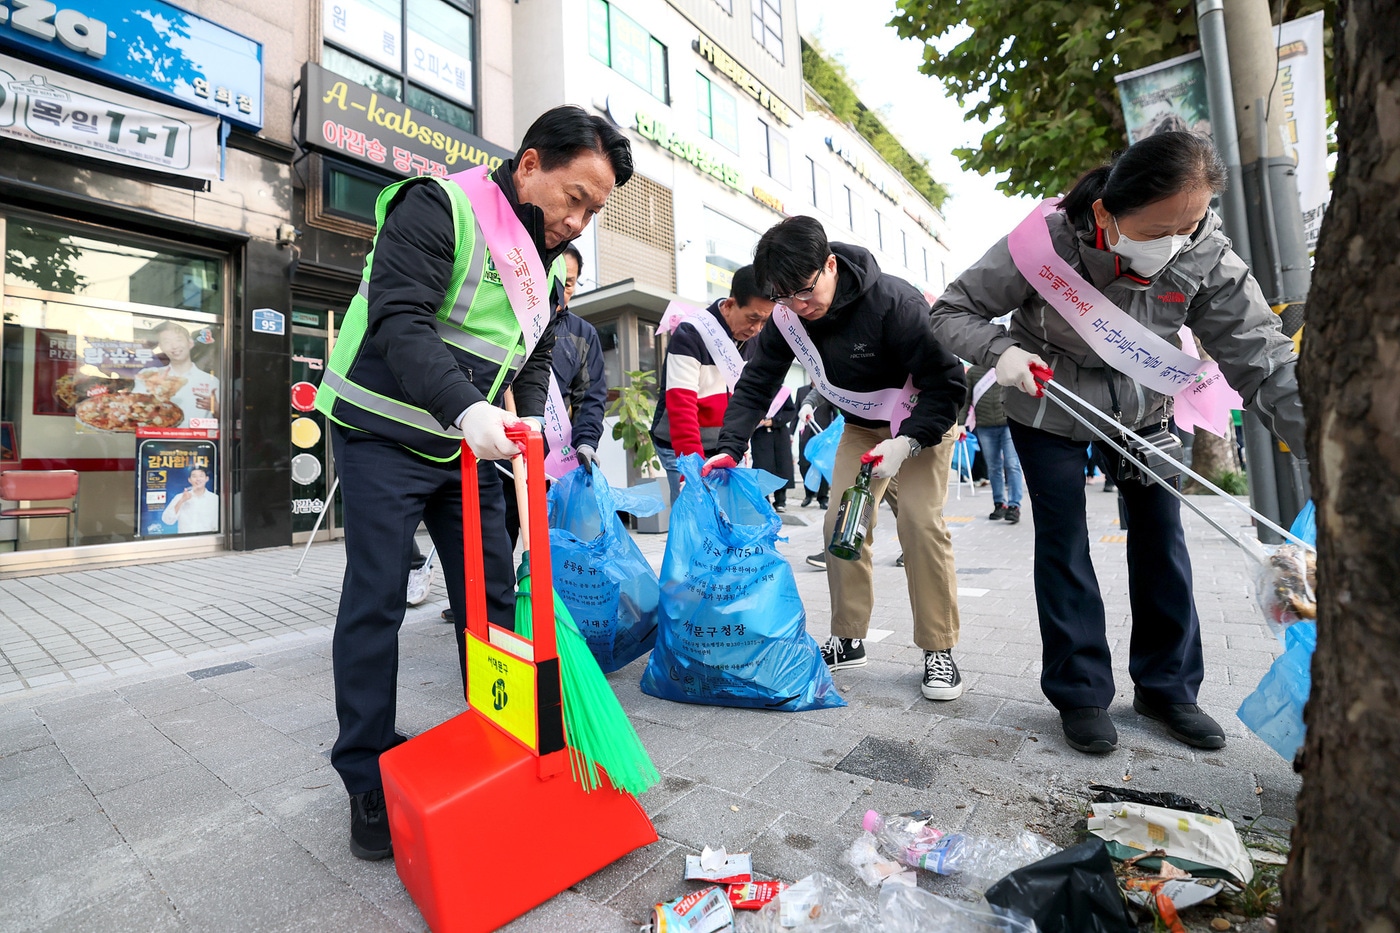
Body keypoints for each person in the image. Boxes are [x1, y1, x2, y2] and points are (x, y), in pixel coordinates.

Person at [313, 105, 632, 860]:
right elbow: (400, 320)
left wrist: (521, 437)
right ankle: (364, 770)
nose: (579, 221)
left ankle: (503, 737)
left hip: (469, 449)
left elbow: (537, 360)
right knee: (377, 597)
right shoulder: (439, 207)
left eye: (594, 209)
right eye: (575, 197)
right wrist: (466, 409)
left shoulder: (550, 267)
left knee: (489, 599)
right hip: (383, 429)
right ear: (529, 165)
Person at [930, 131, 1304, 755]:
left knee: (1163, 539)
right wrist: (1002, 352)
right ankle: (1079, 692)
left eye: (1190, 226)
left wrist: (1325, 444)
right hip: (1047, 403)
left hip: (1145, 409)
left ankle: (1167, 690)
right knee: (1064, 542)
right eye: (1159, 230)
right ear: (1106, 212)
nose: (1175, 244)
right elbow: (951, 310)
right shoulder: (1045, 242)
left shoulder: (1204, 251)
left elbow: (1261, 358)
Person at [709, 215, 968, 703]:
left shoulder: (894, 302)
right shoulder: (789, 313)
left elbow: (947, 384)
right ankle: (848, 636)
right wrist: (729, 446)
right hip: (862, 427)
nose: (798, 307)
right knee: (840, 523)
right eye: (784, 298)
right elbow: (758, 381)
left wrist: (908, 442)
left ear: (830, 264)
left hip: (922, 421)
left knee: (919, 523)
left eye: (805, 292)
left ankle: (939, 648)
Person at [649, 265, 775, 503]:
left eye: (764, 322)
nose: (756, 329)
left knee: (731, 518)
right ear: (729, 305)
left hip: (725, 448)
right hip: (682, 445)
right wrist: (692, 468)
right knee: (697, 520)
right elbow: (681, 406)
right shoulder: (691, 333)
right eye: (753, 318)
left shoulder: (752, 339)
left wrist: (737, 447)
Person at [963, 364, 1023, 524]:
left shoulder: (1006, 365)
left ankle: (1014, 505)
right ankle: (999, 504)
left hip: (1008, 423)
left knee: (1012, 463)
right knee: (993, 467)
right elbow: (966, 398)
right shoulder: (974, 372)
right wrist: (961, 424)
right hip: (984, 425)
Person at [135, 322, 219, 428]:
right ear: (161, 347)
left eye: (178, 340)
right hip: (156, 440)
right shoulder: (150, 376)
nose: (174, 346)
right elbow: (135, 410)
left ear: (190, 343)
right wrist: (154, 391)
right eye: (167, 342)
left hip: (199, 441)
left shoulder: (211, 381)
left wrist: (216, 408)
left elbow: (226, 422)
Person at [748, 390, 795, 511]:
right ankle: (764, 501)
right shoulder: (755, 390)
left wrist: (775, 421)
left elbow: (791, 411)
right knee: (762, 466)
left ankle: (780, 501)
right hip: (760, 434)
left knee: (781, 466)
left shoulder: (783, 392)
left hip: (779, 433)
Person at [794, 382, 833, 510]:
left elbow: (835, 413)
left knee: (821, 465)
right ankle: (808, 494)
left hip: (821, 433)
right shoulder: (801, 391)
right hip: (805, 433)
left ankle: (823, 498)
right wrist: (790, 433)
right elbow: (796, 413)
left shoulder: (828, 388)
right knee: (804, 465)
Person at [160, 466, 218, 533]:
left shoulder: (214, 499)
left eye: (201, 476)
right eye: (194, 476)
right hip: (185, 540)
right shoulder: (180, 497)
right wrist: (181, 501)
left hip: (207, 539)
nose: (198, 479)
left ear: (206, 479)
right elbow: (167, 520)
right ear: (189, 480)